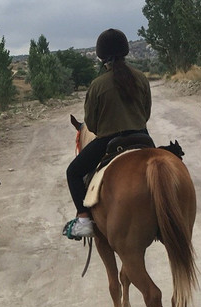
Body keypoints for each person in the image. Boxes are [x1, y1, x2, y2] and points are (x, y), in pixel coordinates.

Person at [63, 28, 151, 240]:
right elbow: (146, 114)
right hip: (143, 138)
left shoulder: (97, 85)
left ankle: (83, 220)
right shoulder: (141, 78)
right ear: (126, 51)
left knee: (73, 172)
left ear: (102, 57)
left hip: (109, 142)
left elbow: (91, 125)